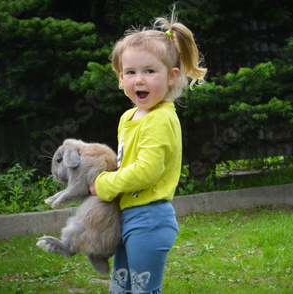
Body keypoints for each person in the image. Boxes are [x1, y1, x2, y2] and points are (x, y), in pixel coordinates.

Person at [88, 10, 207, 294]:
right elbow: (124, 163)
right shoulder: (129, 117)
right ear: (121, 78)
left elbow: (146, 171)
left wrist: (103, 185)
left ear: (171, 76)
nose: (139, 80)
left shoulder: (162, 118)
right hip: (128, 216)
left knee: (143, 290)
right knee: (121, 289)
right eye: (131, 72)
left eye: (149, 71)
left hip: (150, 220)